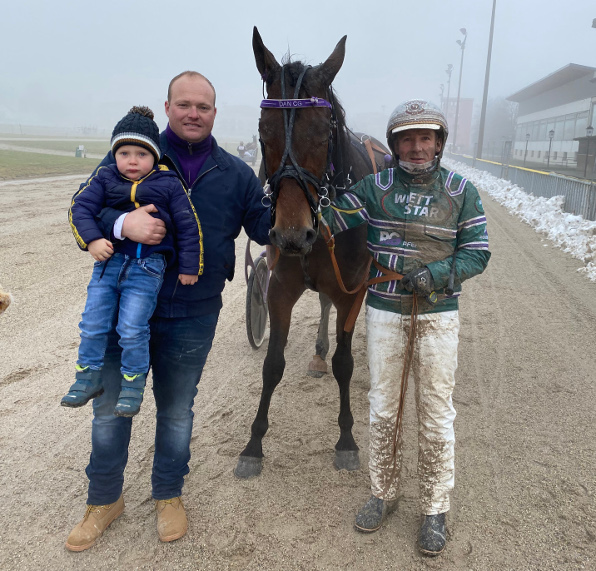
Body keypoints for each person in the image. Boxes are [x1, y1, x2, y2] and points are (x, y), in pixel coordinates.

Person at [64, 71, 270, 552]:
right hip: (124, 308)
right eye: (184, 104)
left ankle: (168, 495)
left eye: (203, 106)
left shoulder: (236, 174)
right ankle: (103, 500)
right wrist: (122, 223)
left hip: (194, 312)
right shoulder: (134, 155)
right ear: (169, 106)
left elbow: (265, 229)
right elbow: (83, 211)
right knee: (111, 410)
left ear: (214, 113)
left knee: (176, 411)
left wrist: (294, 199)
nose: (193, 113)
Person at [330, 100, 490, 556]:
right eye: (407, 138)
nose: (416, 147)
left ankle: (435, 507)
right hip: (384, 312)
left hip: (439, 314)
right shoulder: (372, 187)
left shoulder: (463, 192)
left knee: (436, 411)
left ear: (438, 143)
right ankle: (384, 492)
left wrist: (438, 275)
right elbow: (328, 220)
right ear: (395, 143)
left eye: (425, 138)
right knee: (383, 405)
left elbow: (477, 252)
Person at [61, 106, 203, 418]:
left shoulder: (168, 184)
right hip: (106, 266)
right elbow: (79, 208)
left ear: (155, 156)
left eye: (141, 153)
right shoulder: (104, 178)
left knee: (131, 328)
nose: (132, 160)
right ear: (114, 154)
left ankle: (132, 385)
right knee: (92, 325)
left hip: (146, 270)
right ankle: (87, 378)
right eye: (124, 152)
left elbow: (188, 226)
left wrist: (191, 267)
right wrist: (93, 239)